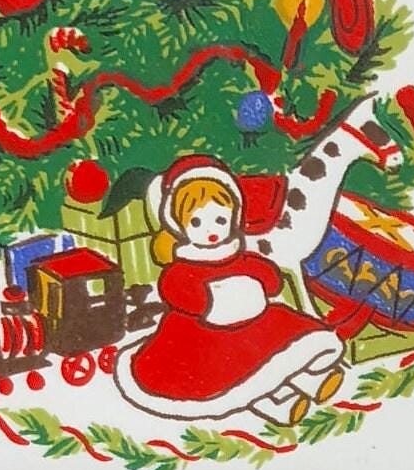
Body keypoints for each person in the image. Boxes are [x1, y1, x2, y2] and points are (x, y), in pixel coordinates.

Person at [113, 155, 345, 424]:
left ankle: (311, 381)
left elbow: (270, 279)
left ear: (234, 217)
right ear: (179, 225)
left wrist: (255, 284)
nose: (211, 230)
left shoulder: (238, 257)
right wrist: (219, 301)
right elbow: (184, 295)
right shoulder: (182, 269)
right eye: (197, 222)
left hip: (253, 325)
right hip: (202, 338)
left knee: (281, 347)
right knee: (237, 376)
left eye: (220, 220)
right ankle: (279, 403)